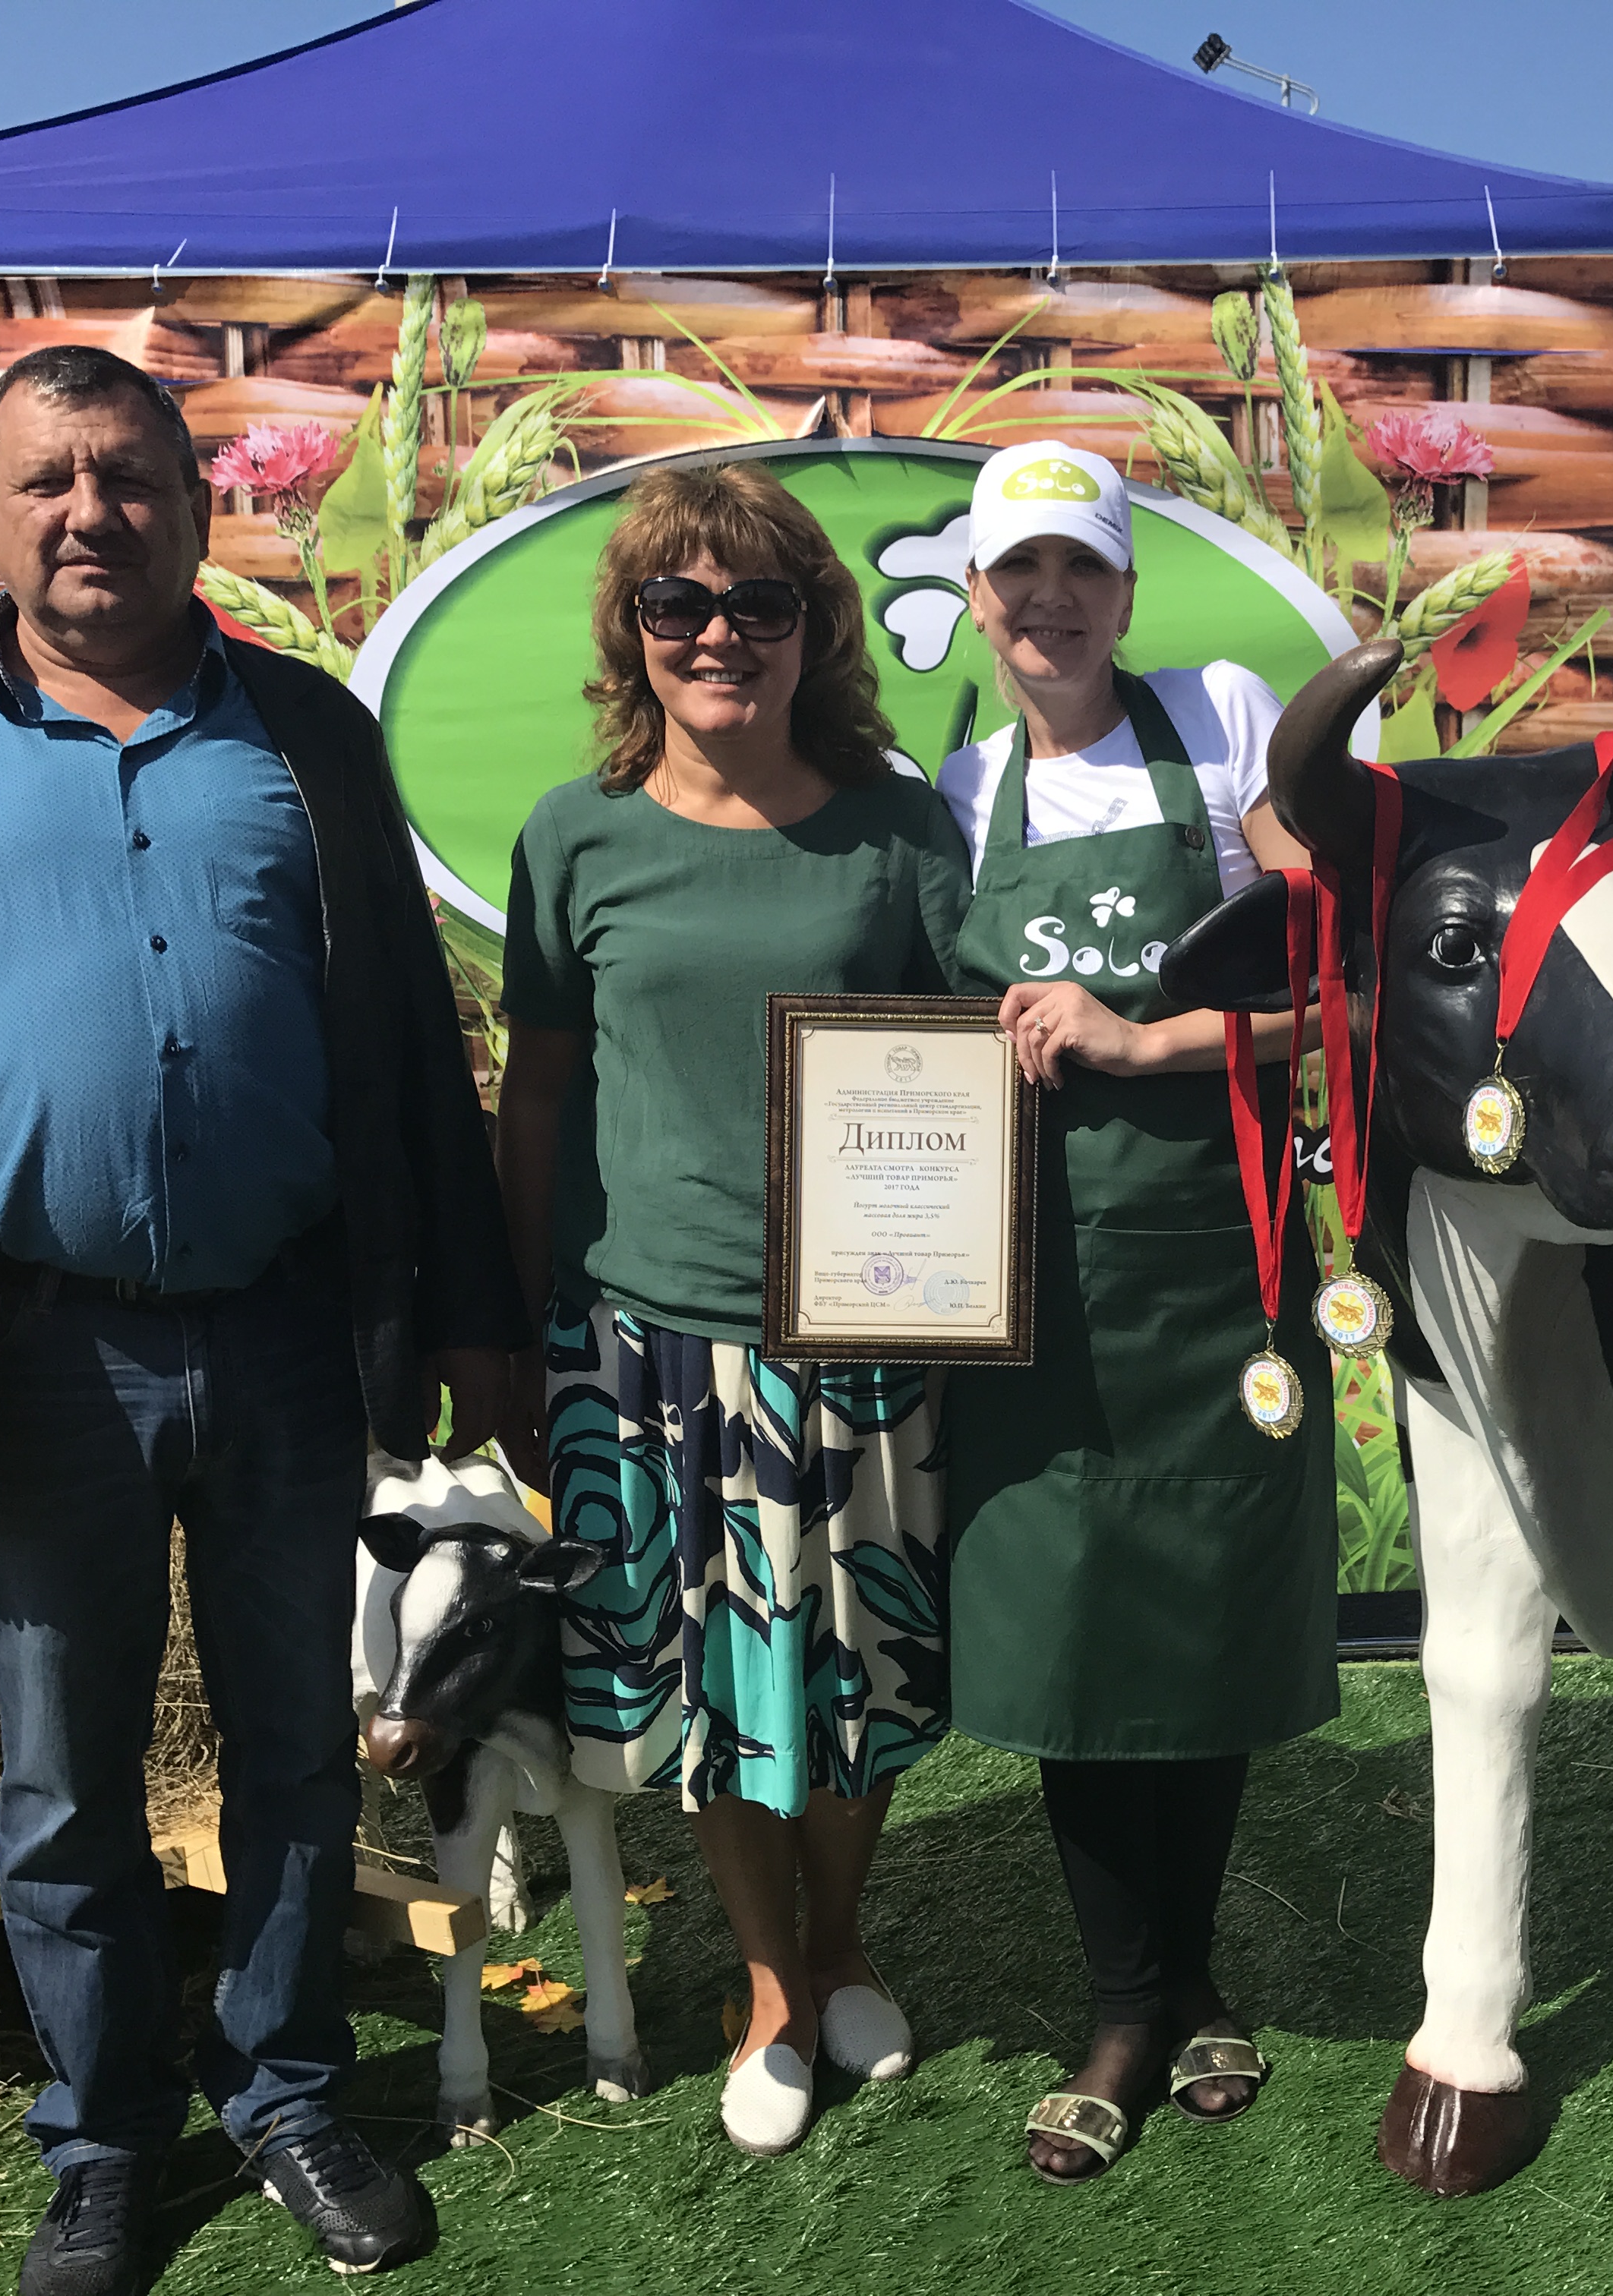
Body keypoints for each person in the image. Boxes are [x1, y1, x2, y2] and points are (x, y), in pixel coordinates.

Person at [0, 344, 518, 2294]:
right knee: (64, 1781)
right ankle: (104, 2139)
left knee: (294, 1746)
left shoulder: (308, 733)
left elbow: (413, 1049)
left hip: (287, 1332)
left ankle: (289, 2096)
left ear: (192, 508)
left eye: (129, 479)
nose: (91, 513)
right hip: (31, 1354)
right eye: (50, 481)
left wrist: (468, 1311)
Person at [494, 460, 970, 2159]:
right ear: (633, 632)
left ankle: (843, 1941)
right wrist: (521, 1316)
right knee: (706, 1686)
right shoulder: (576, 836)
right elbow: (539, 1090)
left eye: (758, 603)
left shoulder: (898, 829)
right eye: (678, 603)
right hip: (646, 1338)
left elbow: (967, 1069)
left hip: (864, 1328)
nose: (719, 635)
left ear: (812, 628)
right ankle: (769, 1983)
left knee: (859, 1671)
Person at [930, 440, 1336, 2184]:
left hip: (1222, 1272)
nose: (1051, 600)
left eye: (1080, 568)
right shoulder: (956, 797)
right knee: (1079, 1642)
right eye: (1019, 571)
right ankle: (1126, 2004)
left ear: (1124, 590)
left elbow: (1339, 986)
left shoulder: (1222, 725)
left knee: (1204, 1628)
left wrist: (1143, 1039)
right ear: (975, 598)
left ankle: (1189, 1976)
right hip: (1037, 1295)